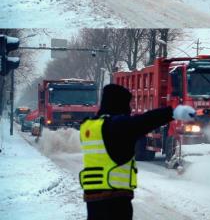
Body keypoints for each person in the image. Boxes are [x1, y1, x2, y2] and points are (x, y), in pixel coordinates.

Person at [79, 84, 196, 220]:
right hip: (115, 197)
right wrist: (173, 112)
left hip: (92, 196)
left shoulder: (87, 126)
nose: (129, 108)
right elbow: (145, 121)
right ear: (119, 103)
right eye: (127, 103)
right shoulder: (118, 125)